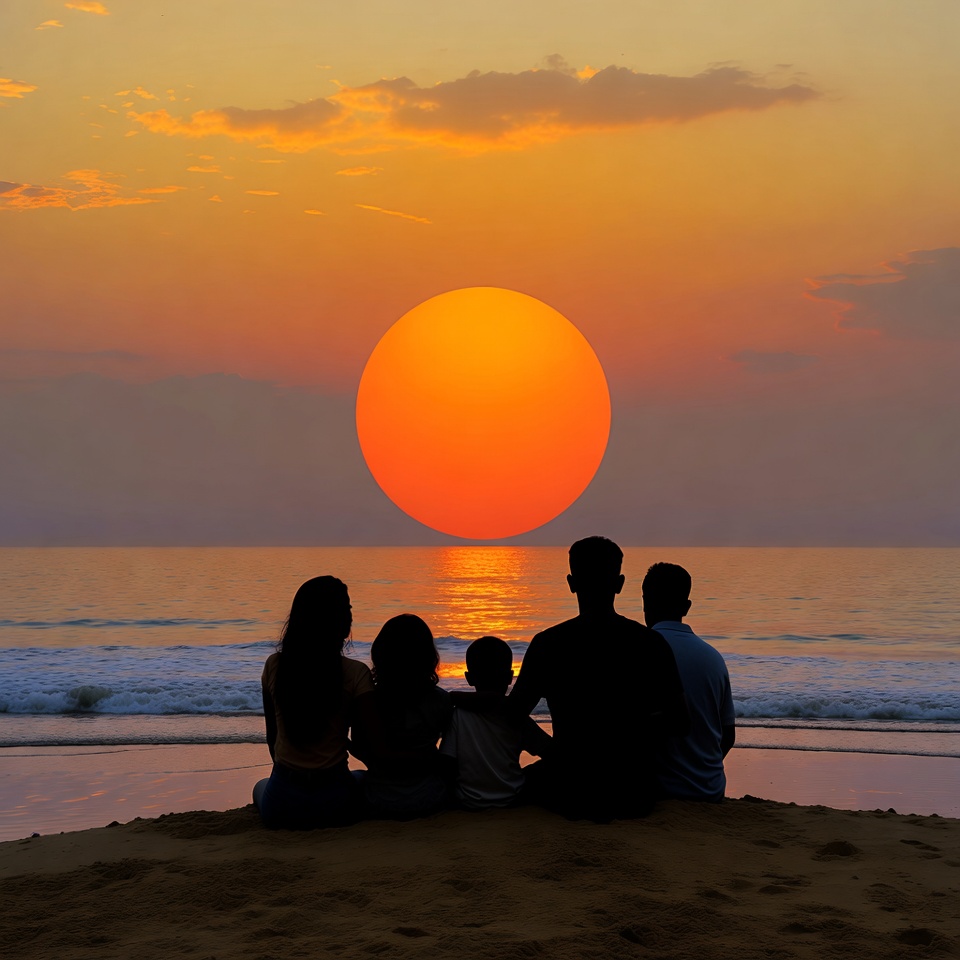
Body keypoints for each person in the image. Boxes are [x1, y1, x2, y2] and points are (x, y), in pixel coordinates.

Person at [510, 536, 690, 821]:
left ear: (571, 583)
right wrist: (631, 739)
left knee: (523, 783)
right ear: (619, 584)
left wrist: (555, 753)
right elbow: (680, 720)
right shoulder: (649, 643)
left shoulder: (548, 644)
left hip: (569, 790)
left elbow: (514, 716)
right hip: (633, 792)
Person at [253, 576, 378, 829]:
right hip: (337, 805)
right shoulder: (356, 673)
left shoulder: (275, 666)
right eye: (348, 610)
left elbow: (273, 742)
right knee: (362, 778)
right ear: (342, 623)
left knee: (259, 787)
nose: (351, 616)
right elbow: (368, 748)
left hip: (282, 805)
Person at [642, 562, 736, 802]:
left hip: (660, 790)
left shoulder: (639, 650)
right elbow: (727, 735)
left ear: (645, 602)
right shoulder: (713, 658)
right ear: (686, 607)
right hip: (709, 789)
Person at [353, 614, 452, 819]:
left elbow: (361, 748)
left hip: (379, 799)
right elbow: (448, 757)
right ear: (428, 657)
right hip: (430, 798)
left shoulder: (369, 702)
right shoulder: (440, 701)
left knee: (357, 778)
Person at [439, 636, 553, 809]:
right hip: (512, 797)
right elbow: (550, 752)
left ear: (469, 678)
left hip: (468, 800)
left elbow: (448, 763)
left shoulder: (458, 715)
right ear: (509, 677)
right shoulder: (515, 714)